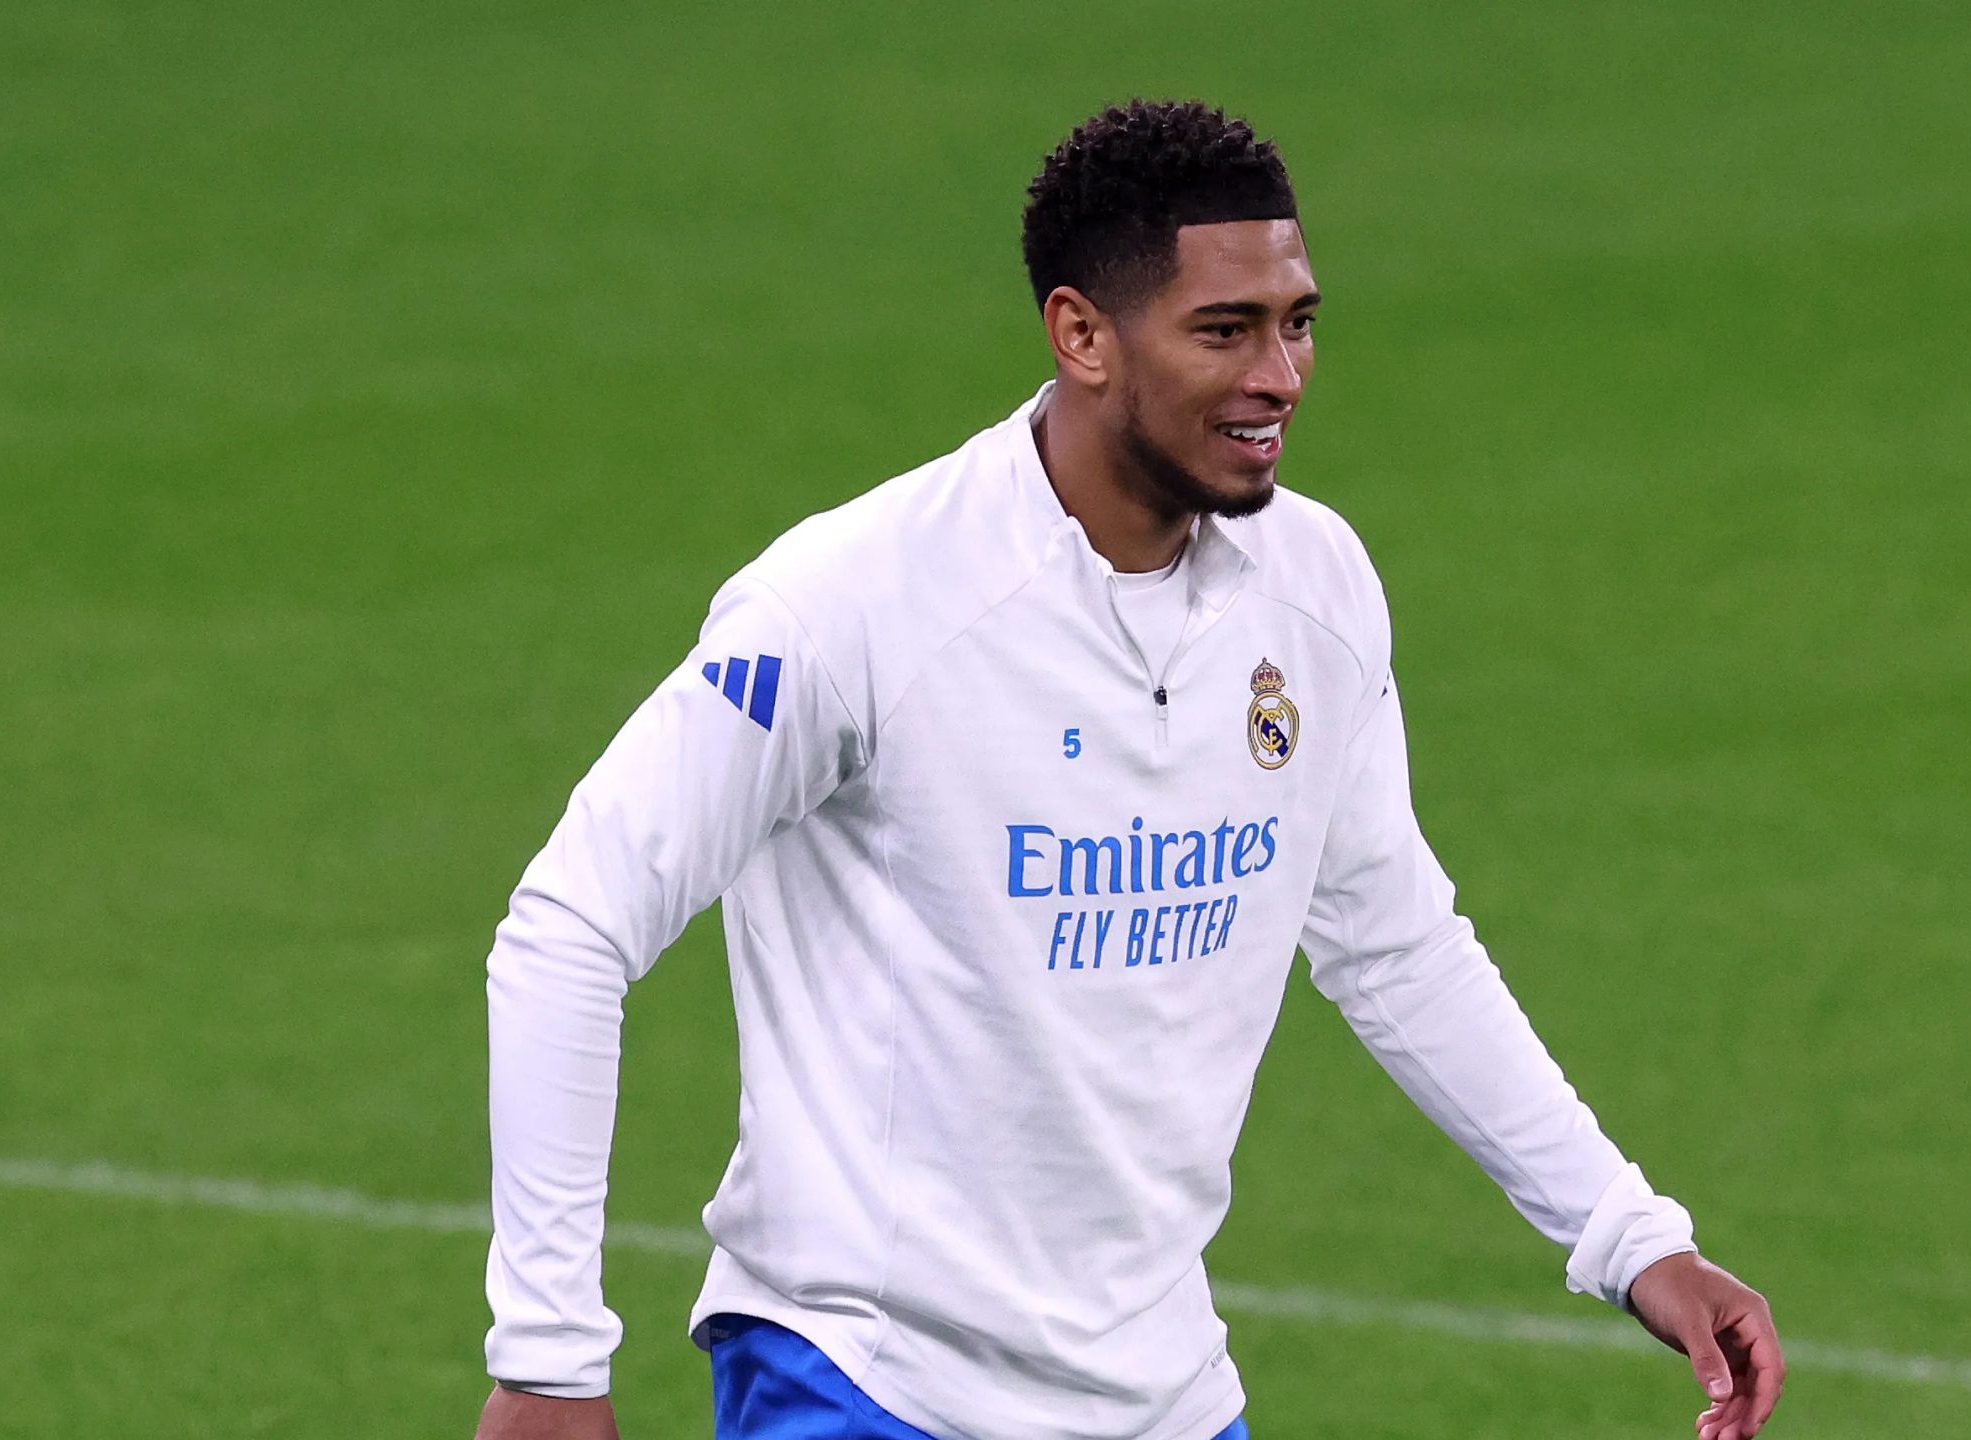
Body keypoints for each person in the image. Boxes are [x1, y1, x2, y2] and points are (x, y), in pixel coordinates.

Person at [475, 98, 1784, 1440]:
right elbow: (571, 923)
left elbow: (1393, 941)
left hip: (1162, 1394)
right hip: (865, 1378)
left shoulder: (1316, 589)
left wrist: (1630, 1236)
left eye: (1298, 322)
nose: (1280, 374)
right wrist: (548, 1359)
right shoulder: (856, 603)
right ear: (1081, 334)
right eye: (1225, 330)